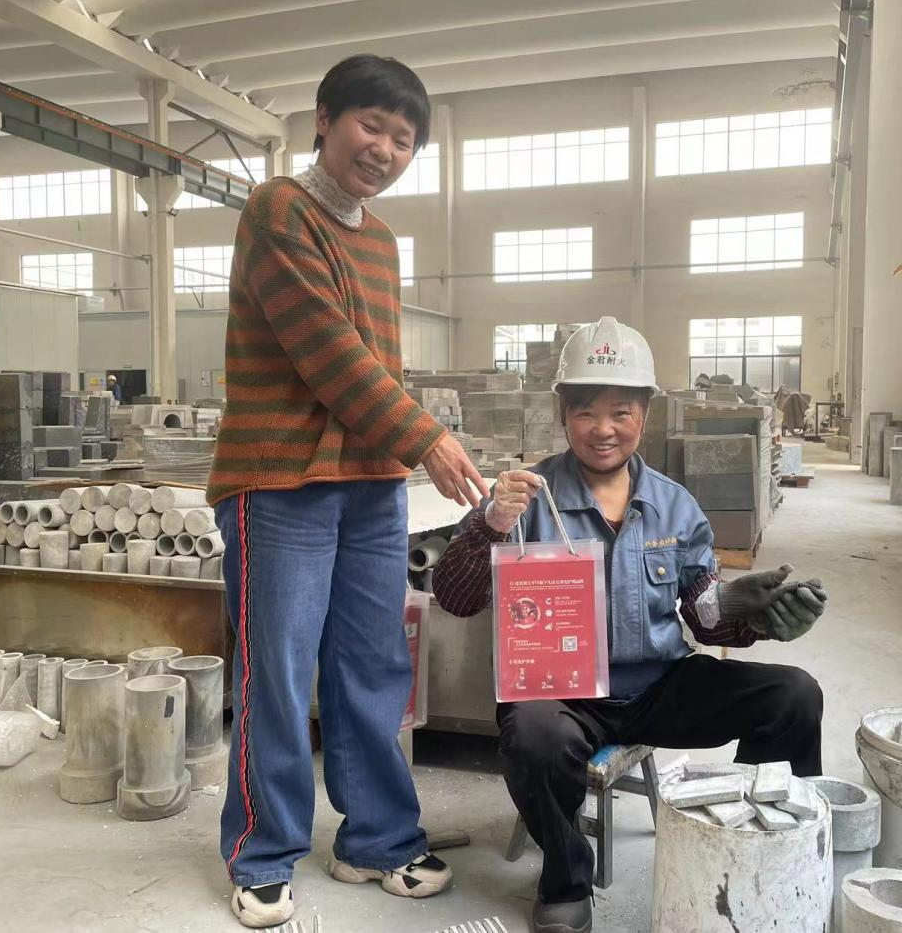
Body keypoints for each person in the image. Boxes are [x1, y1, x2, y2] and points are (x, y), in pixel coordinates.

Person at [206, 54, 488, 929]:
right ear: (324, 120)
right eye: (372, 126)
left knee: (374, 665)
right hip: (280, 481)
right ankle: (263, 851)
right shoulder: (278, 210)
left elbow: (380, 366)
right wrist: (425, 438)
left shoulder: (383, 241)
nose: (385, 150)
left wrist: (401, 451)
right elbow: (326, 350)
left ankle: (377, 839)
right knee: (279, 673)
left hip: (370, 485)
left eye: (404, 140)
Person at [432, 316, 827, 933]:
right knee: (535, 736)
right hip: (560, 695)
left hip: (656, 686)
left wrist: (748, 614)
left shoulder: (675, 505)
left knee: (794, 695)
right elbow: (455, 599)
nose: (603, 429)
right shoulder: (522, 499)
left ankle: (761, 843)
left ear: (644, 413)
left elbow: (700, 613)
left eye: (621, 412)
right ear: (564, 415)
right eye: (586, 412)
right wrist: (489, 527)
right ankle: (565, 880)